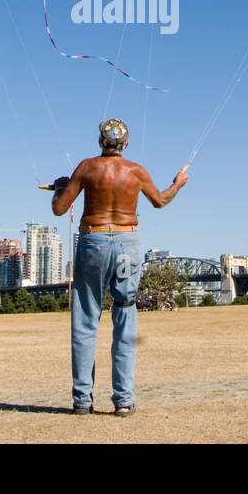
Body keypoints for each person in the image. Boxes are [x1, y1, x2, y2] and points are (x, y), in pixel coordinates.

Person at [51, 118, 189, 417]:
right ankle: (124, 401)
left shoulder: (87, 167)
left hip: (93, 241)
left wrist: (59, 189)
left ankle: (82, 402)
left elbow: (60, 209)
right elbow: (161, 201)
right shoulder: (136, 171)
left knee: (86, 319)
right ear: (125, 144)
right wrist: (178, 183)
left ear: (101, 142)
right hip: (128, 244)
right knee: (125, 312)